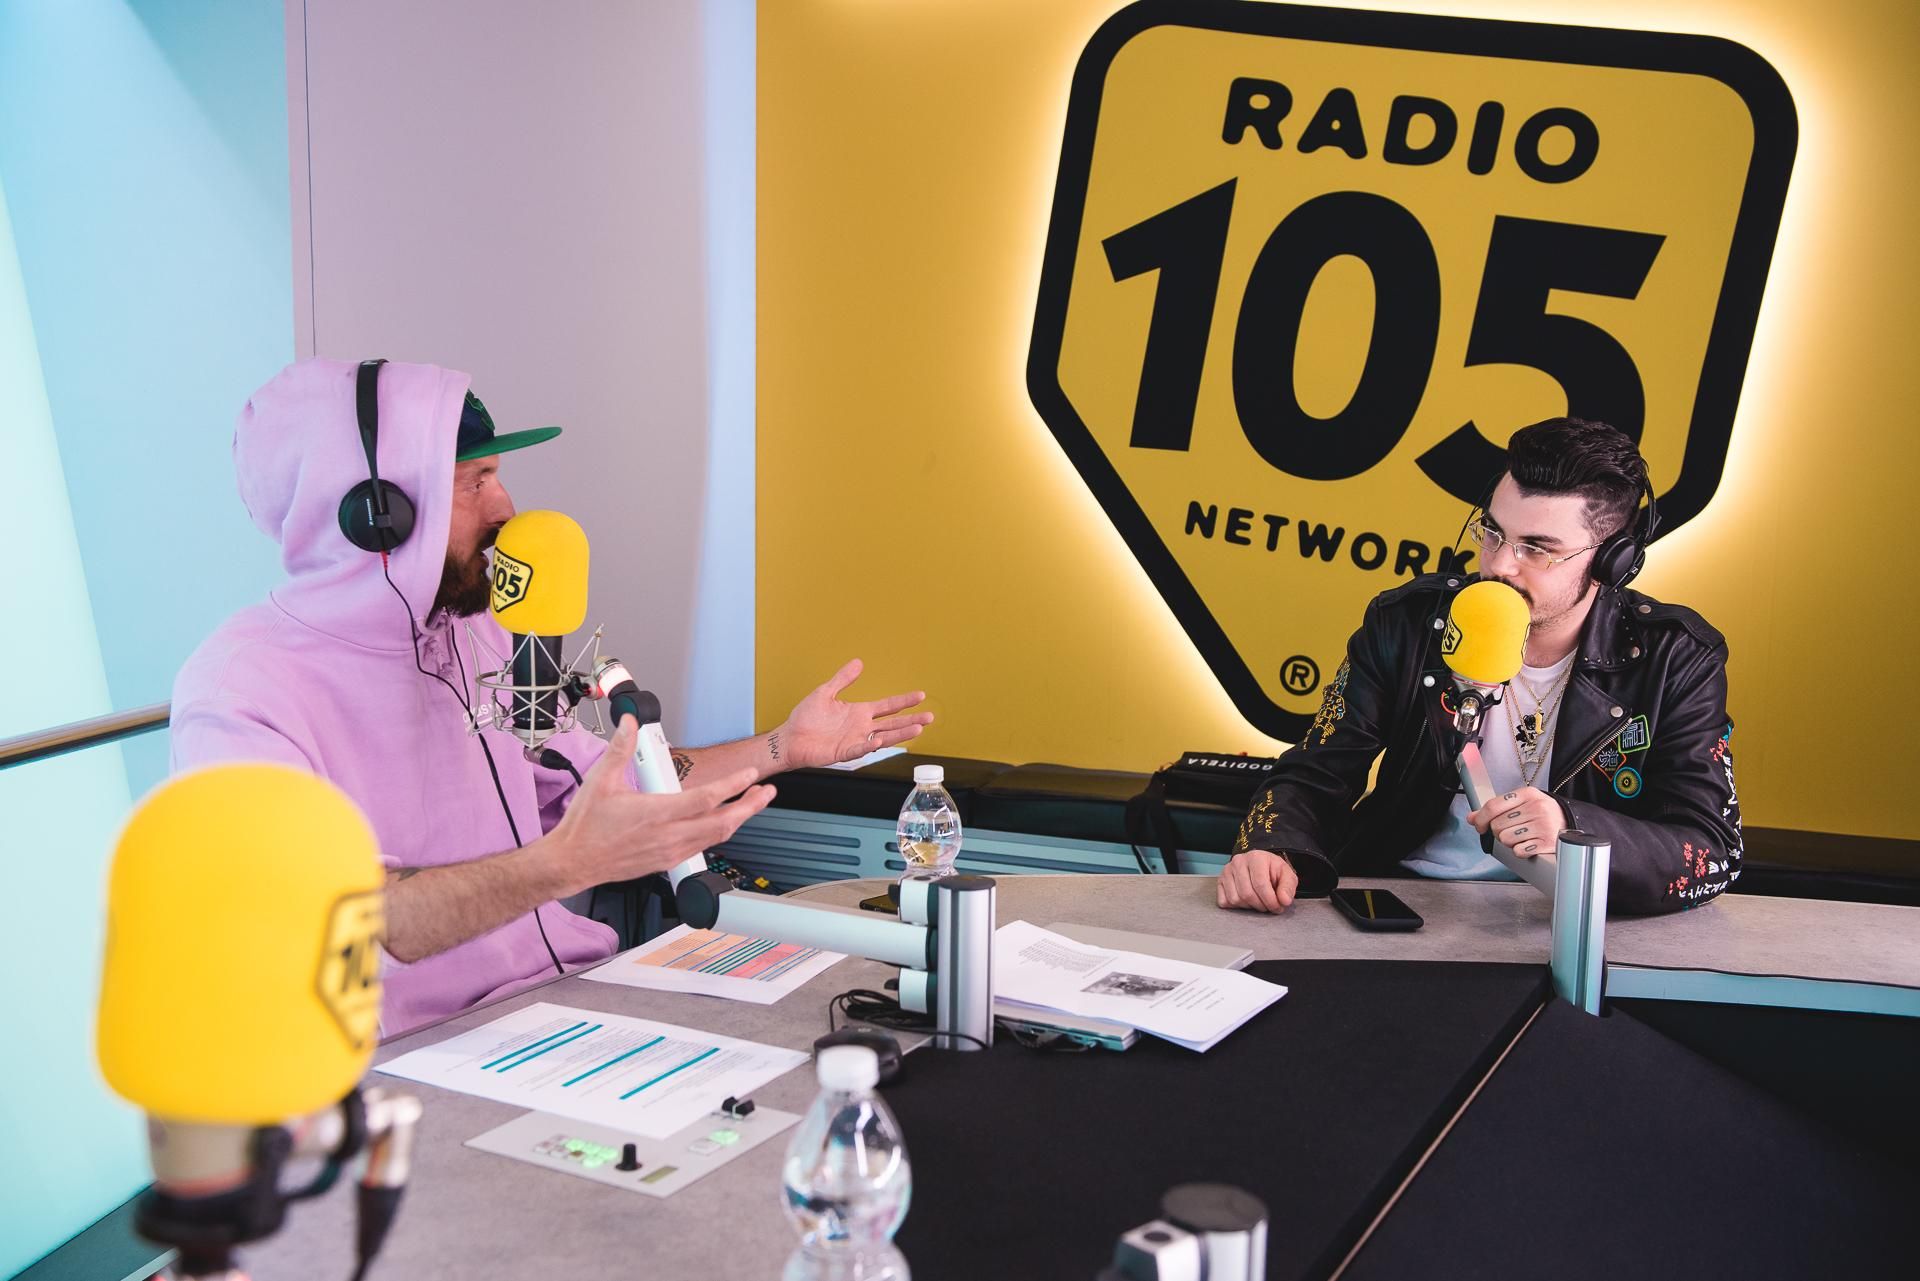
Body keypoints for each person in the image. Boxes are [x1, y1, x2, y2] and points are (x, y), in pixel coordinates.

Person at [172, 358, 932, 1033]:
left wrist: (783, 747)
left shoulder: (479, 632)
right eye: (473, 482)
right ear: (377, 513)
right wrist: (561, 865)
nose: (506, 508)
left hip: (570, 999)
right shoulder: (242, 689)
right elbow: (354, 916)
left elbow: (611, 783)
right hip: (415, 1058)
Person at [1217, 417, 1741, 917]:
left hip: (1564, 918)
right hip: (1400, 901)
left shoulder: (1676, 658)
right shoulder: (1408, 623)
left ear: (1613, 562)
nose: (1499, 564)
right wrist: (1271, 845)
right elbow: (1317, 772)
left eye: (1536, 549)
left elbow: (1712, 848)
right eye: (1493, 532)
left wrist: (1574, 827)